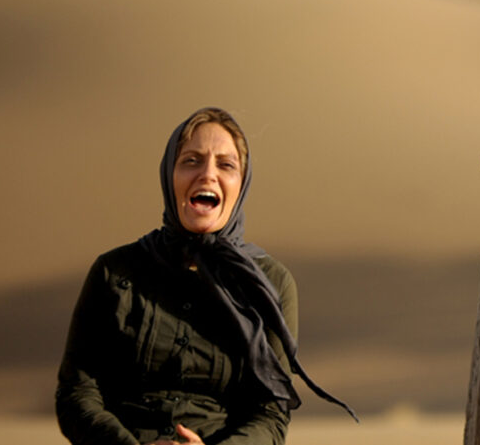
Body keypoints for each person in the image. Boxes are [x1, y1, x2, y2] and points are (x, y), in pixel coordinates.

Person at [56, 107, 355, 445]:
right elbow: (76, 393)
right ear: (169, 176)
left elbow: (270, 414)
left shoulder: (270, 283)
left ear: (242, 184)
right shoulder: (114, 272)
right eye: (191, 161)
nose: (208, 174)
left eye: (226, 165)